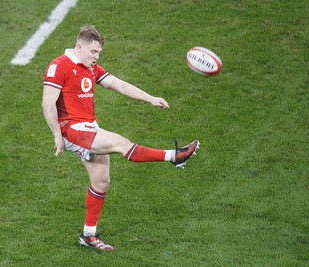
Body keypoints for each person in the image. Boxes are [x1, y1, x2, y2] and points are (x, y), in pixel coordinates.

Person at [42, 25, 199, 251]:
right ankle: (175, 156)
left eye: (99, 53)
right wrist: (57, 136)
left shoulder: (91, 67)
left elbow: (118, 84)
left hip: (89, 127)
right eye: (93, 52)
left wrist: (150, 98)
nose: (96, 57)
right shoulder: (59, 66)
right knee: (119, 142)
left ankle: (88, 236)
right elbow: (48, 104)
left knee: (101, 182)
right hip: (72, 130)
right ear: (79, 46)